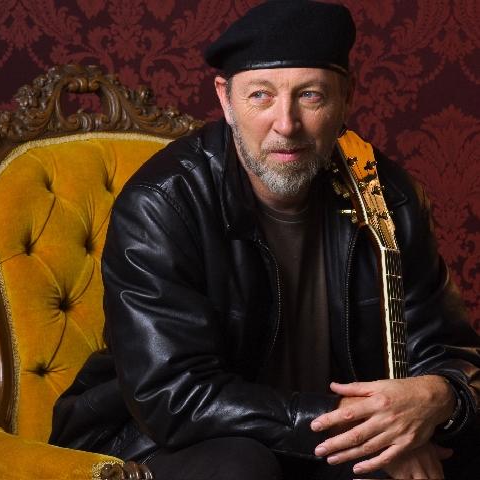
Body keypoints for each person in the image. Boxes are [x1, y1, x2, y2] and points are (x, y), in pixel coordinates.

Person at [50, 1, 480, 478]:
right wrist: (366, 426)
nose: (286, 124)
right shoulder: (162, 203)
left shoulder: (390, 196)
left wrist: (438, 398)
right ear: (225, 99)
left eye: (310, 96)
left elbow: (450, 351)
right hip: (157, 438)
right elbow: (174, 395)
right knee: (241, 466)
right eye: (261, 95)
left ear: (345, 98)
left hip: (316, 439)